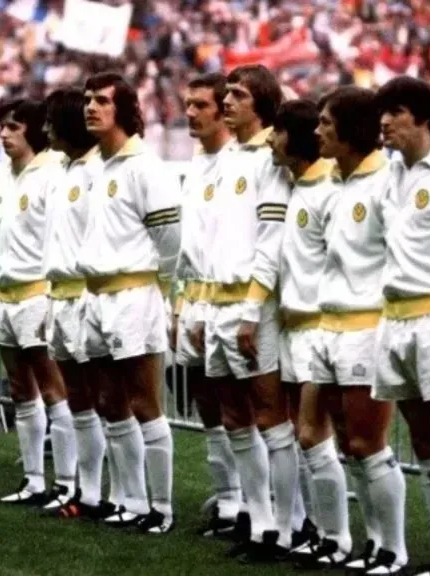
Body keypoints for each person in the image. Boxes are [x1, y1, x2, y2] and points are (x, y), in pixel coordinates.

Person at [78, 72, 180, 534]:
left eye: (101, 100)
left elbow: (170, 242)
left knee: (144, 402)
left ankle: (161, 508)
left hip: (134, 296)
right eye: (87, 100)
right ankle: (132, 501)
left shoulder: (146, 168)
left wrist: (162, 294)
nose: (90, 107)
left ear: (124, 109)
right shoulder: (96, 168)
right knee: (108, 401)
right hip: (96, 296)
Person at [314, 86, 410, 574]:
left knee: (369, 443)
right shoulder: (339, 184)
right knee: (350, 444)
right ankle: (371, 544)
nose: (318, 132)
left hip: (365, 325)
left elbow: (399, 254)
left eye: (326, 123)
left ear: (349, 131)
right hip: (329, 324)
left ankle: (393, 549)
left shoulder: (385, 183)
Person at [201, 64, 295, 561]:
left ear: (261, 103)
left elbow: (271, 240)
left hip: (251, 305)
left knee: (270, 417)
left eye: (238, 94)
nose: (227, 101)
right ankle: (256, 521)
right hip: (216, 302)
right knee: (235, 417)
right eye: (228, 93)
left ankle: (286, 524)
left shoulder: (269, 158)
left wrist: (253, 309)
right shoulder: (224, 158)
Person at [372, 76, 430, 576]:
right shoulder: (391, 174)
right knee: (424, 444)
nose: (384, 121)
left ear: (424, 118)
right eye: (383, 112)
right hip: (396, 318)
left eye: (397, 111)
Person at [0, 99, 75, 505]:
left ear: (34, 132)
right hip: (5, 294)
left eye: (12, 127)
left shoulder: (52, 175)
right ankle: (34, 479)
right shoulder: (3, 177)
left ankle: (69, 483)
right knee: (21, 390)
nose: (3, 135)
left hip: (38, 293)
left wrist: (51, 297)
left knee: (54, 389)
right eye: (2, 127)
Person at [172, 73, 244, 537]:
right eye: (188, 104)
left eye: (200, 105)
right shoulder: (197, 161)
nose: (190, 113)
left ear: (223, 110)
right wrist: (180, 301)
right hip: (195, 298)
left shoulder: (242, 162)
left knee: (242, 409)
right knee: (207, 406)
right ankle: (229, 500)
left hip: (230, 300)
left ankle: (255, 506)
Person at [267, 98, 332, 562]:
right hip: (292, 327)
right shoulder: (295, 187)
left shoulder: (326, 191)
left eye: (279, 131)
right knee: (300, 433)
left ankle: (336, 535)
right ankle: (311, 527)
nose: (271, 140)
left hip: (320, 328)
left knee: (318, 436)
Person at [40, 87, 105, 517]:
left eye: (50, 121)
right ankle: (88, 493)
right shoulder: (63, 170)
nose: (44, 129)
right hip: (59, 298)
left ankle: (118, 496)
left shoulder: (99, 170)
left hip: (87, 296)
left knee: (106, 402)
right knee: (78, 401)